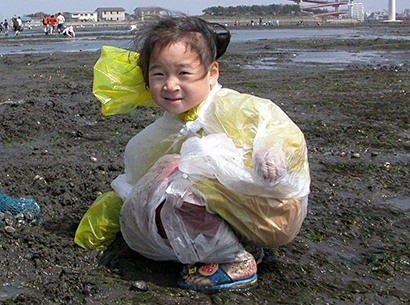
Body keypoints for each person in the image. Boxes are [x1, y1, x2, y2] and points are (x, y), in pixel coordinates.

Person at [82, 15, 310, 292]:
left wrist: (271, 153)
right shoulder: (163, 131)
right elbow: (138, 182)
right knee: (166, 177)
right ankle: (239, 244)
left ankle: (234, 261)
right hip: (241, 215)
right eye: (159, 74)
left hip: (271, 215)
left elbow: (278, 129)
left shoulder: (236, 107)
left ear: (212, 72)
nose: (170, 85)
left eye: (183, 73)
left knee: (178, 175)